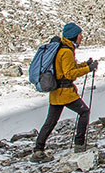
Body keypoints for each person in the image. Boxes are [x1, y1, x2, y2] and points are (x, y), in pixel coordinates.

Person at [31, 22, 99, 161]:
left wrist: (85, 64)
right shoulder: (66, 52)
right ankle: (79, 144)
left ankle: (38, 150)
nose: (81, 37)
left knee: (50, 121)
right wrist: (88, 68)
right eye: (80, 35)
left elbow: (68, 68)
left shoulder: (63, 49)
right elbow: (69, 74)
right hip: (65, 93)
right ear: (74, 36)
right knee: (84, 112)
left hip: (56, 93)